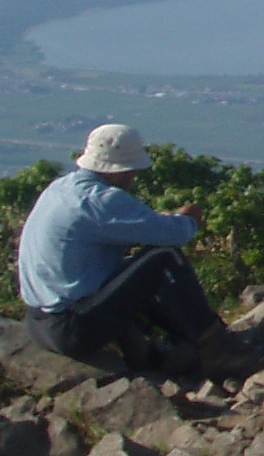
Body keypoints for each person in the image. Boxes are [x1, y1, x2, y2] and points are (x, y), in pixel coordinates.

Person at [18, 122, 225, 370]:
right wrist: (188, 219)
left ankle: (170, 343)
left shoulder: (61, 189)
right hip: (71, 328)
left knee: (136, 268)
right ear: (122, 170)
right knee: (163, 258)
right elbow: (174, 234)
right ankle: (216, 347)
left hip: (38, 322)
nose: (133, 176)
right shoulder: (101, 199)